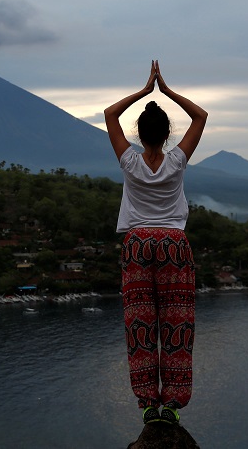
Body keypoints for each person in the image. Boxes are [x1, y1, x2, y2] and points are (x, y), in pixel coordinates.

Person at [104, 60, 208, 426]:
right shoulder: (177, 160)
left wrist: (145, 91)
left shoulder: (129, 161)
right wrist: (166, 90)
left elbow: (109, 114)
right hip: (173, 247)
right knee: (177, 322)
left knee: (141, 325)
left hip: (136, 245)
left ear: (139, 133)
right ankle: (173, 405)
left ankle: (148, 404)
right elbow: (200, 117)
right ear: (166, 136)